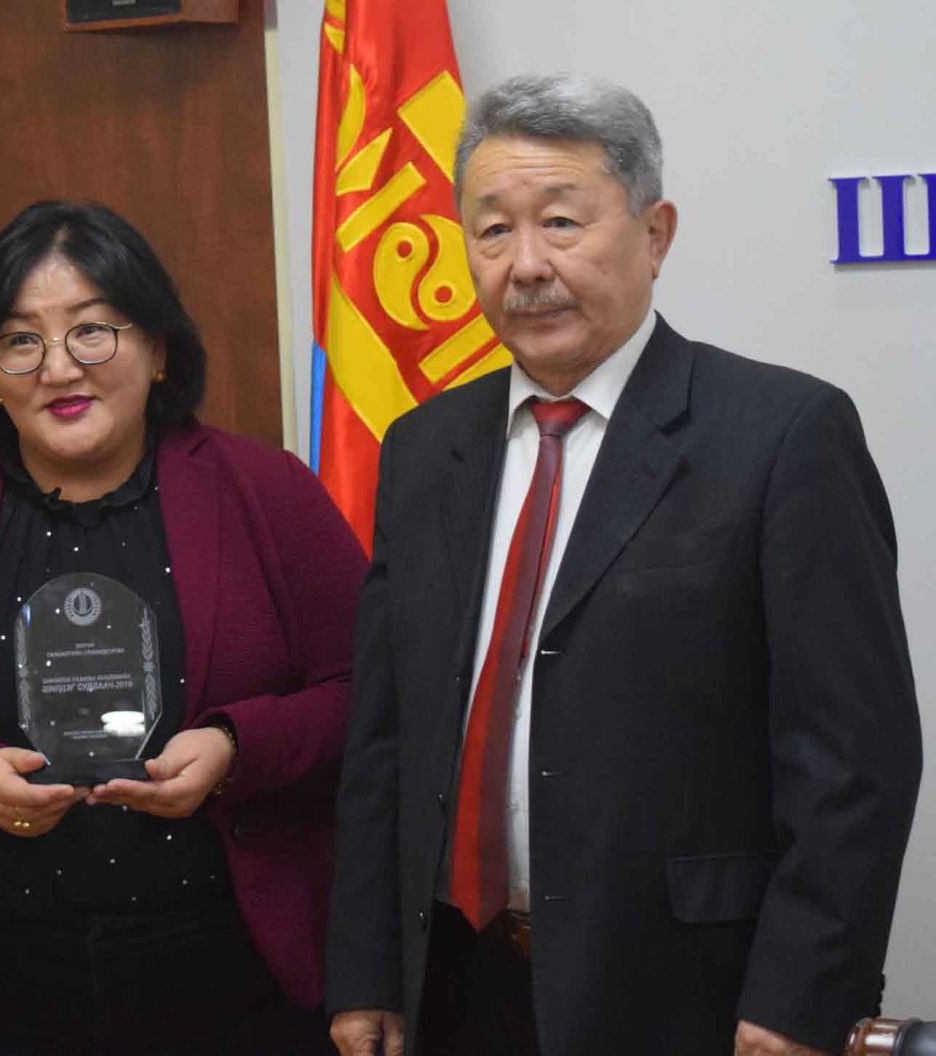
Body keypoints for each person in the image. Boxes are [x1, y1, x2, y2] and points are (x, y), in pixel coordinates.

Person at [327, 73, 921, 1056]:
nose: (526, 265)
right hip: (459, 984)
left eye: (561, 222)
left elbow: (853, 759)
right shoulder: (425, 448)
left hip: (685, 991)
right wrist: (366, 970)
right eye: (492, 231)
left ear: (654, 233)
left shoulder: (782, 435)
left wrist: (800, 999)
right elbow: (384, 736)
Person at [0, 200, 365, 1056]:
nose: (58, 367)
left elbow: (370, 695)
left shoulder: (264, 493)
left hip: (232, 973)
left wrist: (237, 747)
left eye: (92, 330)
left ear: (159, 349)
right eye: (21, 340)